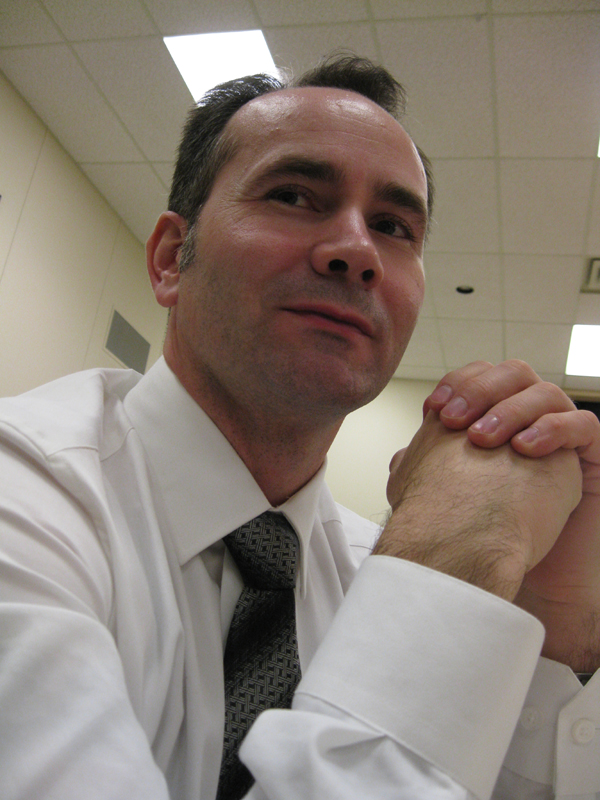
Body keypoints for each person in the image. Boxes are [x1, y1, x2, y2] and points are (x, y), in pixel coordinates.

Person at [1, 54, 599, 800]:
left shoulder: (373, 566)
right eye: (293, 196)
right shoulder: (24, 498)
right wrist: (444, 570)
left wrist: (550, 625)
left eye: (392, 226)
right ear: (170, 260)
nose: (357, 251)